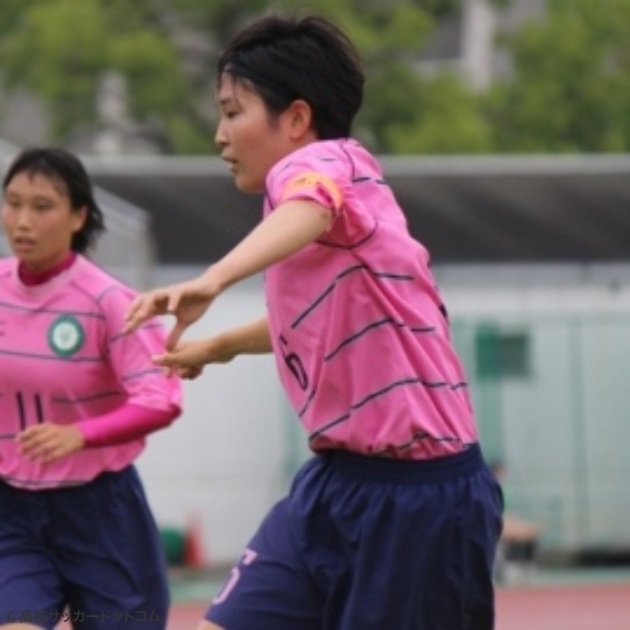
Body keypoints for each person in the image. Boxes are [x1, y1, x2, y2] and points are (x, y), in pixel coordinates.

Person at [124, 14, 503, 630]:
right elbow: (315, 316)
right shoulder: (316, 211)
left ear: (295, 119)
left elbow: (312, 203)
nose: (220, 135)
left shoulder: (330, 166)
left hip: (422, 499)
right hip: (333, 484)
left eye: (233, 111)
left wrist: (213, 279)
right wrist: (219, 346)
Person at [0, 147, 182, 629]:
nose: (22, 220)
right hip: (11, 511)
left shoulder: (110, 302)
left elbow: (160, 399)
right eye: (12, 203)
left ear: (79, 216)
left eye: (41, 207)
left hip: (101, 513)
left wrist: (80, 435)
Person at [490, 460, 540, 583]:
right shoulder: (490, 486)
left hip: (506, 518)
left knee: (532, 530)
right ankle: (511, 565)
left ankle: (526, 564)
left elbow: (508, 508)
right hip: (496, 520)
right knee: (511, 533)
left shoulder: (505, 488)